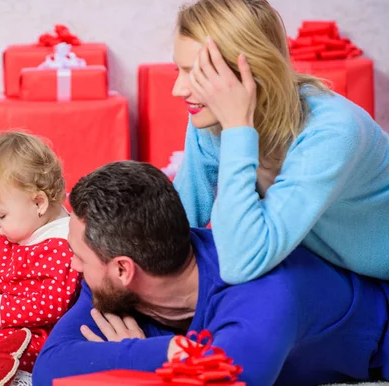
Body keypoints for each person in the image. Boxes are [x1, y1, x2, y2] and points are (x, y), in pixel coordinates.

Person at [32, 161, 389, 386]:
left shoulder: (263, 294)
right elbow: (49, 371)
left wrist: (137, 356)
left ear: (124, 269)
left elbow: (232, 377)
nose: (73, 266)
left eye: (79, 256)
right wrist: (171, 353)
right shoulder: (117, 280)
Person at [171, 0, 389, 284]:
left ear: (252, 73)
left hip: (375, 283)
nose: (179, 89)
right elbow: (175, 227)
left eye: (198, 75)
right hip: (320, 266)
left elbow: (240, 263)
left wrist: (238, 128)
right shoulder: (210, 116)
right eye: (179, 70)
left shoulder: (333, 132)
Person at [0, 131, 81, 372]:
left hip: (46, 338)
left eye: (0, 215)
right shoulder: (21, 233)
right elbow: (9, 280)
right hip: (20, 329)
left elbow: (52, 304)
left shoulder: (61, 244)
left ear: (38, 203)